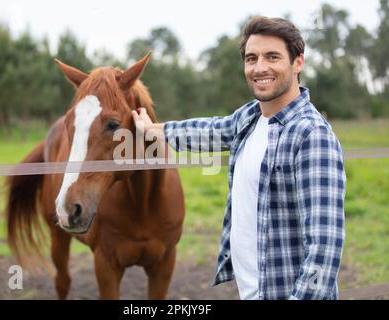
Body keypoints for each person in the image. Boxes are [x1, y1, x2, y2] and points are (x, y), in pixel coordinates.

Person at [131, 16, 346, 300]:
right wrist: (154, 130)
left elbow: (325, 247)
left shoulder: (310, 135)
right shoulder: (251, 117)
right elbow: (208, 131)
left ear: (298, 63)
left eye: (273, 57)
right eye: (251, 58)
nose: (260, 68)